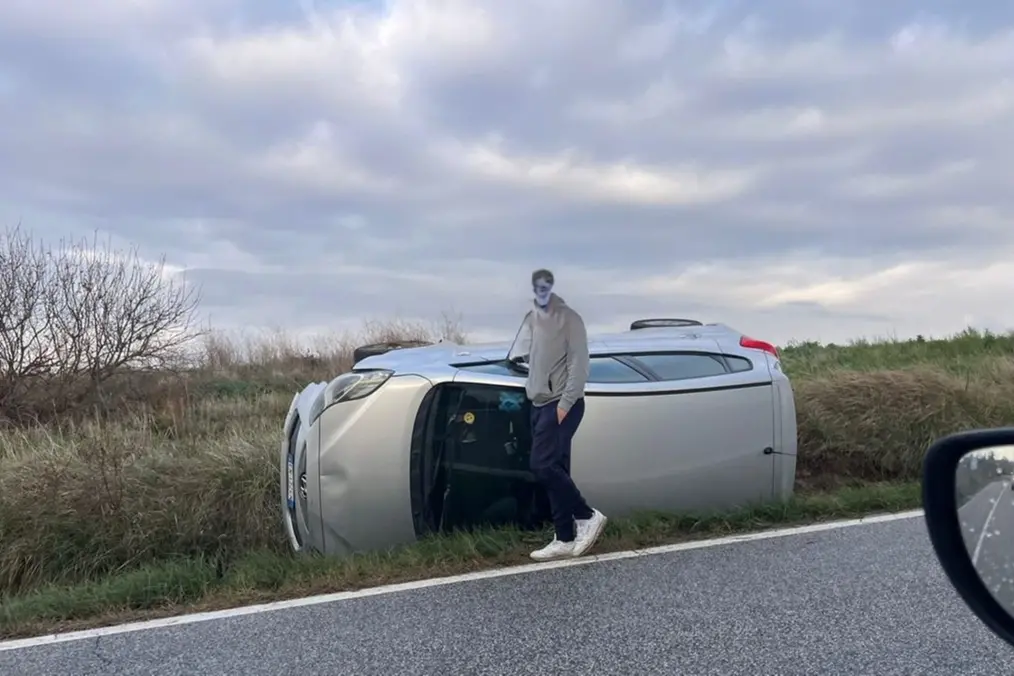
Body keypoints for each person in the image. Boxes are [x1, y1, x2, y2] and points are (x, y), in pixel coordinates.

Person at [521, 268, 607, 561]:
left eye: (545, 285)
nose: (541, 290)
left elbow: (579, 365)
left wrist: (564, 404)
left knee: (542, 465)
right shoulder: (532, 319)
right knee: (555, 469)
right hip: (538, 402)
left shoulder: (570, 319)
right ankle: (565, 537)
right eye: (537, 285)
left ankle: (587, 515)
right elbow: (527, 356)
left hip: (561, 403)